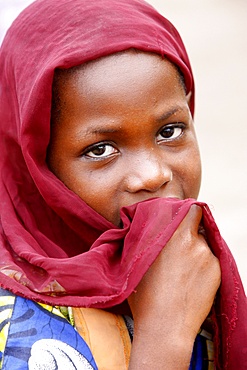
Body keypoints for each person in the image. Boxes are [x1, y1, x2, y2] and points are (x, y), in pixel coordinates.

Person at [0, 0, 246, 369]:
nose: (153, 174)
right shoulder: (12, 330)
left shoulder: (190, 261)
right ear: (37, 167)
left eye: (170, 131)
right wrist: (165, 336)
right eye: (100, 149)